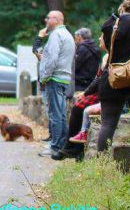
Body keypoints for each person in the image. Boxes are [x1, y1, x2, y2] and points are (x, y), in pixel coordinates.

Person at [96, 0, 130, 152]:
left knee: (107, 123)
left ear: (122, 9)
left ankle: (102, 162)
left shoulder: (110, 25)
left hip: (113, 78)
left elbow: (104, 46)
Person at [37, 11, 76, 159]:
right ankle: (61, 144)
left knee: (55, 114)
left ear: (57, 19)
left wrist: (45, 77)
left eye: (49, 17)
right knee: (60, 113)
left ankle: (55, 146)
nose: (46, 20)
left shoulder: (55, 35)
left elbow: (52, 58)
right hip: (63, 77)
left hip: (55, 78)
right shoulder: (67, 34)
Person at [72, 27, 100, 94]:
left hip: (79, 85)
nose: (74, 39)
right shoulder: (95, 47)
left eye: (75, 37)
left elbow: (74, 66)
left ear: (79, 36)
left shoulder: (82, 48)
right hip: (90, 83)